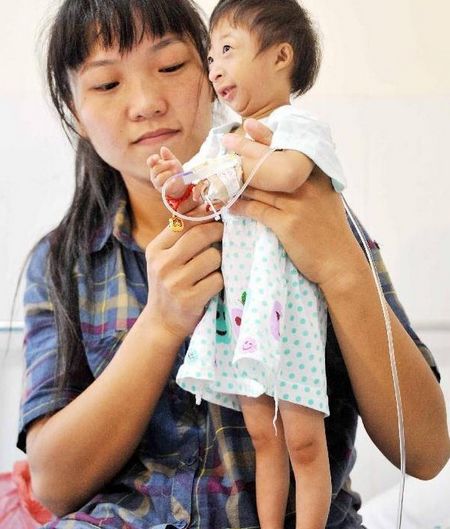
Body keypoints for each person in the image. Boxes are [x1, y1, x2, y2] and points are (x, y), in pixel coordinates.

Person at [17, 1, 449, 529]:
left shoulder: (317, 215)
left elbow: (426, 451)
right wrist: (160, 324)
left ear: (213, 74)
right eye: (107, 85)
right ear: (72, 110)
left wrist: (339, 268)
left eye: (172, 66)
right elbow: (54, 486)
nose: (148, 102)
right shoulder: (66, 263)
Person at [148, 1, 346, 527]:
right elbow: (191, 199)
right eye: (211, 56)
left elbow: (286, 176)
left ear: (281, 57)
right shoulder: (223, 138)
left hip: (292, 309)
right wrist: (174, 180)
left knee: (305, 441)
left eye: (228, 50)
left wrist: (231, 163)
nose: (215, 67)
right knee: (264, 439)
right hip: (239, 309)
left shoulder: (297, 126)